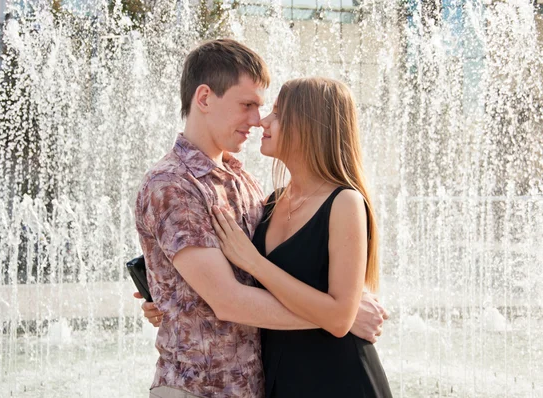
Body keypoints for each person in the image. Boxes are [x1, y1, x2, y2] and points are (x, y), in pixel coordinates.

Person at [135, 39, 388, 398]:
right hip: (199, 388)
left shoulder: (248, 185)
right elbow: (228, 300)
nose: (258, 120)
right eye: (248, 105)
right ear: (204, 98)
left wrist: (342, 308)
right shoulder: (172, 186)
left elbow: (289, 267)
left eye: (266, 109)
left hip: (267, 384)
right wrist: (341, 318)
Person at [211, 77, 392, 397]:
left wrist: (255, 263)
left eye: (278, 114)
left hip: (339, 382)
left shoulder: (344, 203)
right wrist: (165, 296)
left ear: (311, 125)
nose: (263, 121)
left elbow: (339, 318)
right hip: (284, 380)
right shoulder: (271, 202)